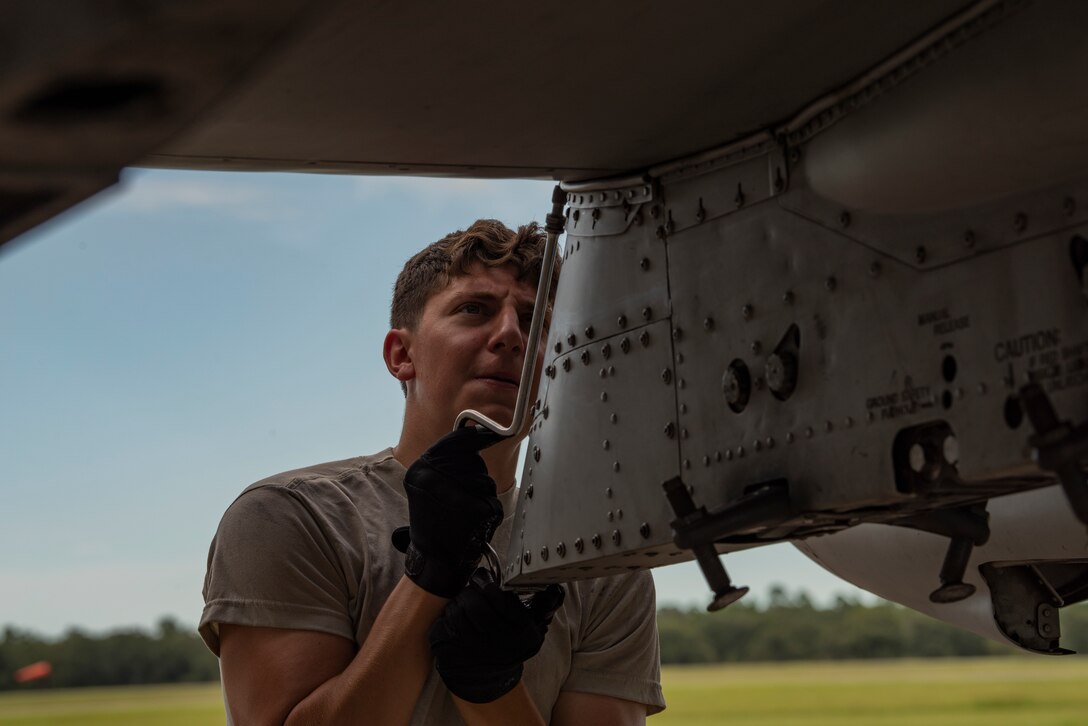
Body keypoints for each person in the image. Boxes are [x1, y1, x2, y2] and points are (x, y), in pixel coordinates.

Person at [199, 219, 665, 724]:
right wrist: (428, 582)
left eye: (534, 322)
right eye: (474, 310)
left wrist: (489, 688)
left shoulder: (598, 558)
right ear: (402, 355)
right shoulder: (289, 516)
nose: (511, 335)